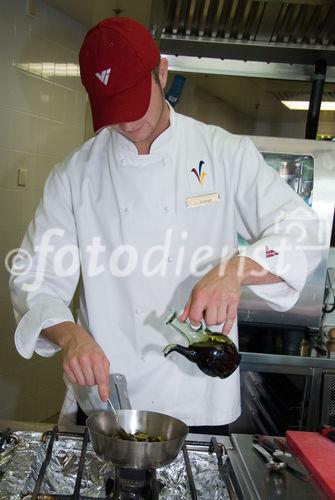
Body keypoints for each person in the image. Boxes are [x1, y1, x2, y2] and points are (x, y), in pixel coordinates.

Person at [9, 16, 319, 431]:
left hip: (197, 401)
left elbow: (302, 228)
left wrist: (235, 270)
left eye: (135, 102)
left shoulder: (223, 153)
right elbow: (35, 276)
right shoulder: (75, 174)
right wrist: (70, 336)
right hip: (108, 399)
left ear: (162, 72)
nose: (128, 123)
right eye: (113, 110)